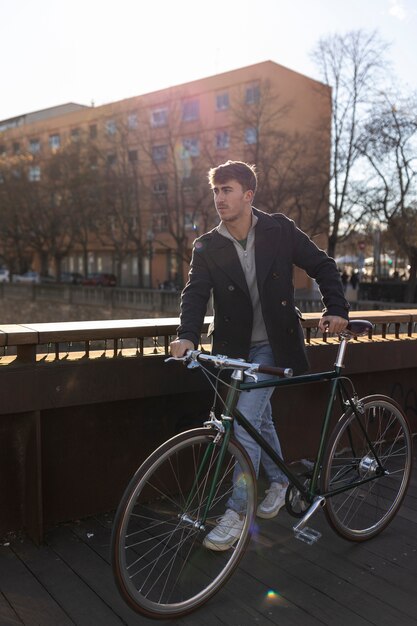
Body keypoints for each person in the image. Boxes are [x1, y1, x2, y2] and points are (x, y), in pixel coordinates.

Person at [170, 160, 349, 551]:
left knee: (242, 421)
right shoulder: (208, 245)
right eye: (216, 190)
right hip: (234, 349)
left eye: (227, 190)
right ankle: (282, 483)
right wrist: (186, 336)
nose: (219, 198)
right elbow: (195, 294)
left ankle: (237, 511)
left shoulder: (278, 230)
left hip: (274, 344)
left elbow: (322, 264)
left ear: (248, 195)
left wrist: (336, 307)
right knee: (257, 420)